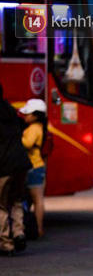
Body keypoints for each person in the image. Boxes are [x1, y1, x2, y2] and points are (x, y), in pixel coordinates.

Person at [0, 84, 32, 256]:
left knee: (1, 205)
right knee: (17, 200)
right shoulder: (11, 111)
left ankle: (6, 243)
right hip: (21, 163)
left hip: (3, 165)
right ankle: (19, 233)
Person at [19, 98, 48, 239]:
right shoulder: (40, 127)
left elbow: (27, 144)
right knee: (37, 199)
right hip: (38, 166)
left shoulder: (33, 129)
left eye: (27, 114)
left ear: (36, 115)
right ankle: (38, 228)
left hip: (33, 166)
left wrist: (16, 138)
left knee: (37, 200)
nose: (25, 116)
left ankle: (38, 229)